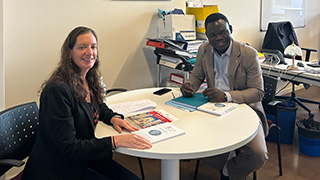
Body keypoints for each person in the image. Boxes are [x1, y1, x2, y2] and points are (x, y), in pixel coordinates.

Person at [22, 26, 152, 180]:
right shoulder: (57, 91)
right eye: (82, 47)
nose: (89, 52)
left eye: (93, 47)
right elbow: (68, 147)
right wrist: (114, 141)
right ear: (69, 52)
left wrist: (112, 118)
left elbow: (98, 107)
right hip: (59, 168)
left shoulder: (87, 78)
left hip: (84, 157)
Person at [180, 13, 268, 180]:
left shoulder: (248, 54)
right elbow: (197, 76)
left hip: (245, 108)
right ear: (207, 35)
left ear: (230, 30)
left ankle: (228, 171)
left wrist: (226, 96)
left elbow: (257, 92)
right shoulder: (203, 49)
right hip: (211, 108)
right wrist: (190, 86)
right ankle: (227, 159)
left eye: (223, 32)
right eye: (212, 35)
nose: (218, 38)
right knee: (186, 137)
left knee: (258, 154)